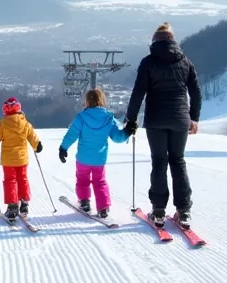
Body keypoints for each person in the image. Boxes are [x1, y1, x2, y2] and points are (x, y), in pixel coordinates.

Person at [124, 23, 202, 229]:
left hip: (156, 120)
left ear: (155, 41)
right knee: (178, 161)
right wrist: (194, 118)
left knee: (159, 161)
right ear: (172, 40)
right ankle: (184, 211)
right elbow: (196, 91)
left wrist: (130, 119)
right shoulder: (185, 61)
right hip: (180, 120)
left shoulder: (148, 62)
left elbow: (138, 92)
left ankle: (158, 211)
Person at [58, 88, 128, 219]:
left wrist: (63, 148)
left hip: (83, 158)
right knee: (100, 182)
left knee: (82, 180)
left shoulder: (81, 118)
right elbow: (117, 137)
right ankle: (103, 208)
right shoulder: (108, 118)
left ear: (86, 101)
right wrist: (127, 132)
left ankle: (84, 202)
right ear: (102, 100)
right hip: (99, 159)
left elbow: (72, 134)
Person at [0, 97, 42, 222]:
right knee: (22, 178)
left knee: (10, 181)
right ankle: (24, 203)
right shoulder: (25, 123)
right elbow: (33, 137)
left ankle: (12, 206)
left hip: (8, 160)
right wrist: (37, 145)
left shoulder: (1, 124)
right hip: (22, 159)